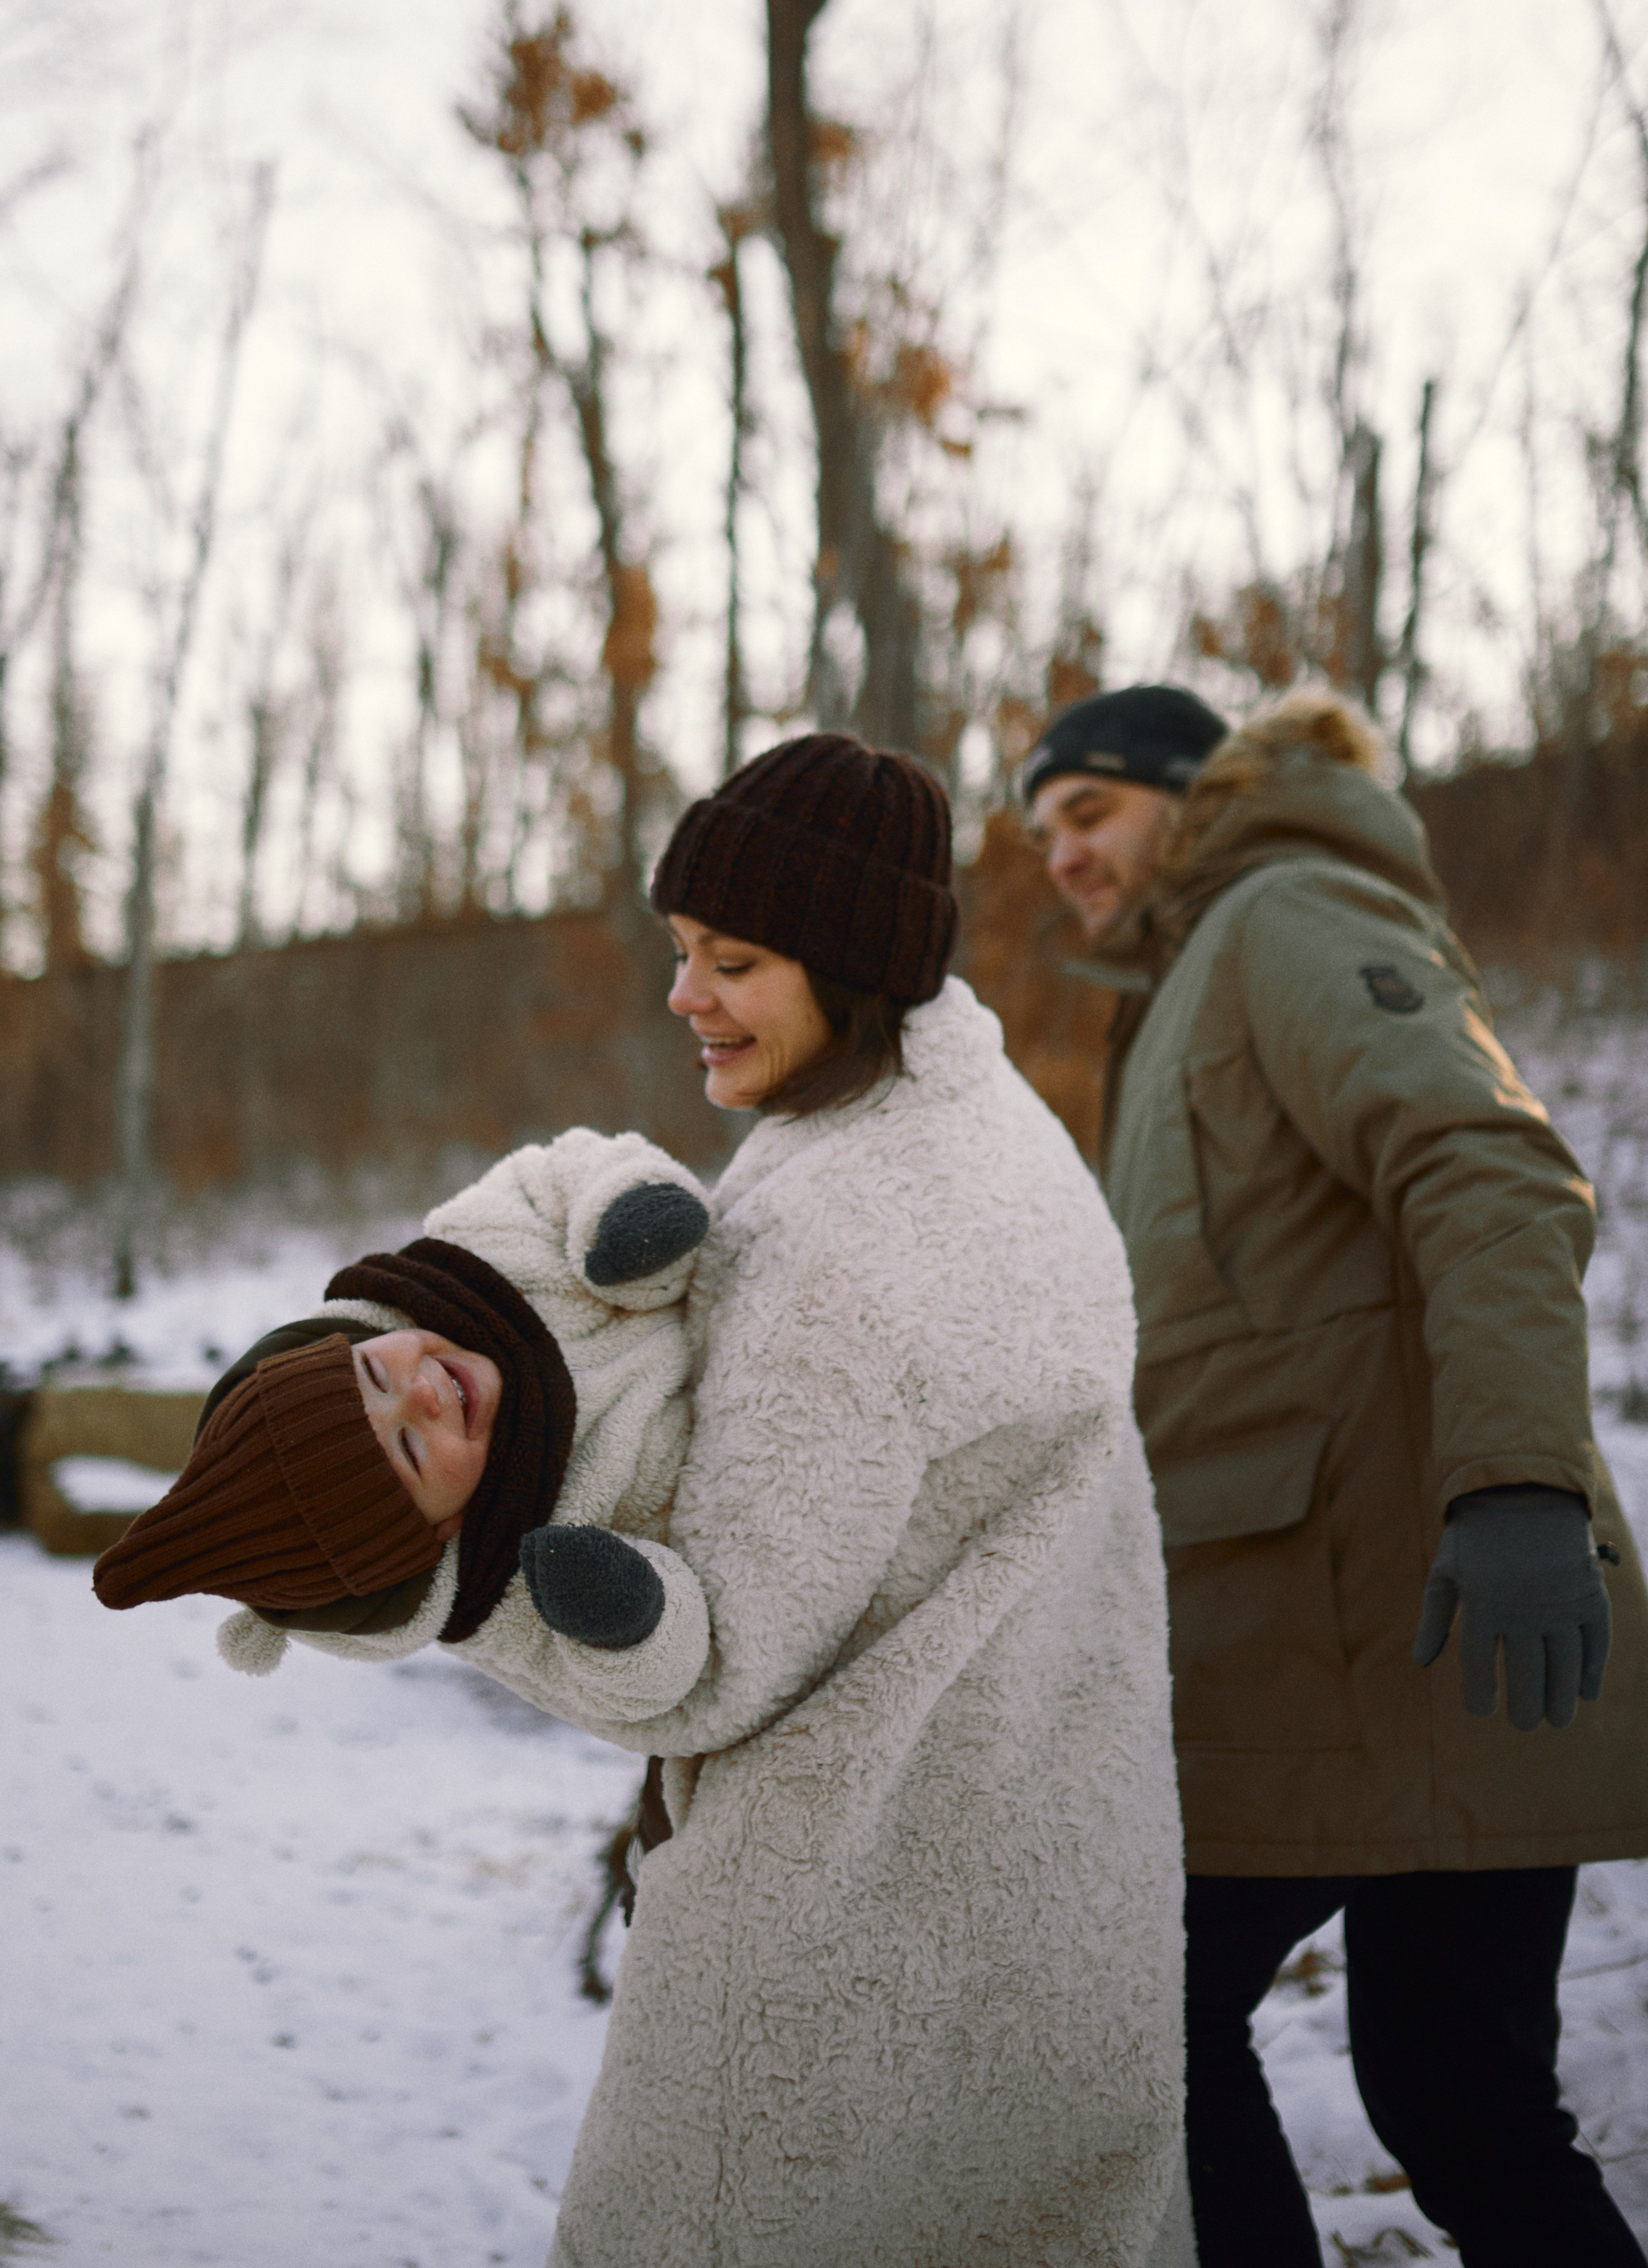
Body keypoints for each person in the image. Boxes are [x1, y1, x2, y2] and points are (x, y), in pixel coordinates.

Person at [482, 732, 1190, 2268]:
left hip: (843, 1930)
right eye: (682, 949)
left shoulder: (839, 1233)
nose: (684, 994)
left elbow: (714, 1663)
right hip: (1057, 1888)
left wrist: (466, 1582)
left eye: (733, 961)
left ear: (856, 964)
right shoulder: (997, 1137)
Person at [1024, 678, 1648, 2267]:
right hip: (1317, 1623)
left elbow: (1484, 1165)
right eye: (1040, 833)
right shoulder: (1175, 986)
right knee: (1457, 2096)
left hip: (1412, 1605)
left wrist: (1516, 1489)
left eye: (1088, 810)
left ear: (1198, 792)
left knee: (1132, 2019)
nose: (1062, 856)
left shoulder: (1282, 911)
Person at [91, 1127, 712, 1677]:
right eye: (411, 1449)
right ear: (440, 1532)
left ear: (352, 1340)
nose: (421, 1393)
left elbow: (553, 1172)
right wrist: (627, 1619)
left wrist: (623, 1207)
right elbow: (666, 1685)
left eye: (373, 1372)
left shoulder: (479, 1257)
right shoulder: (514, 1597)